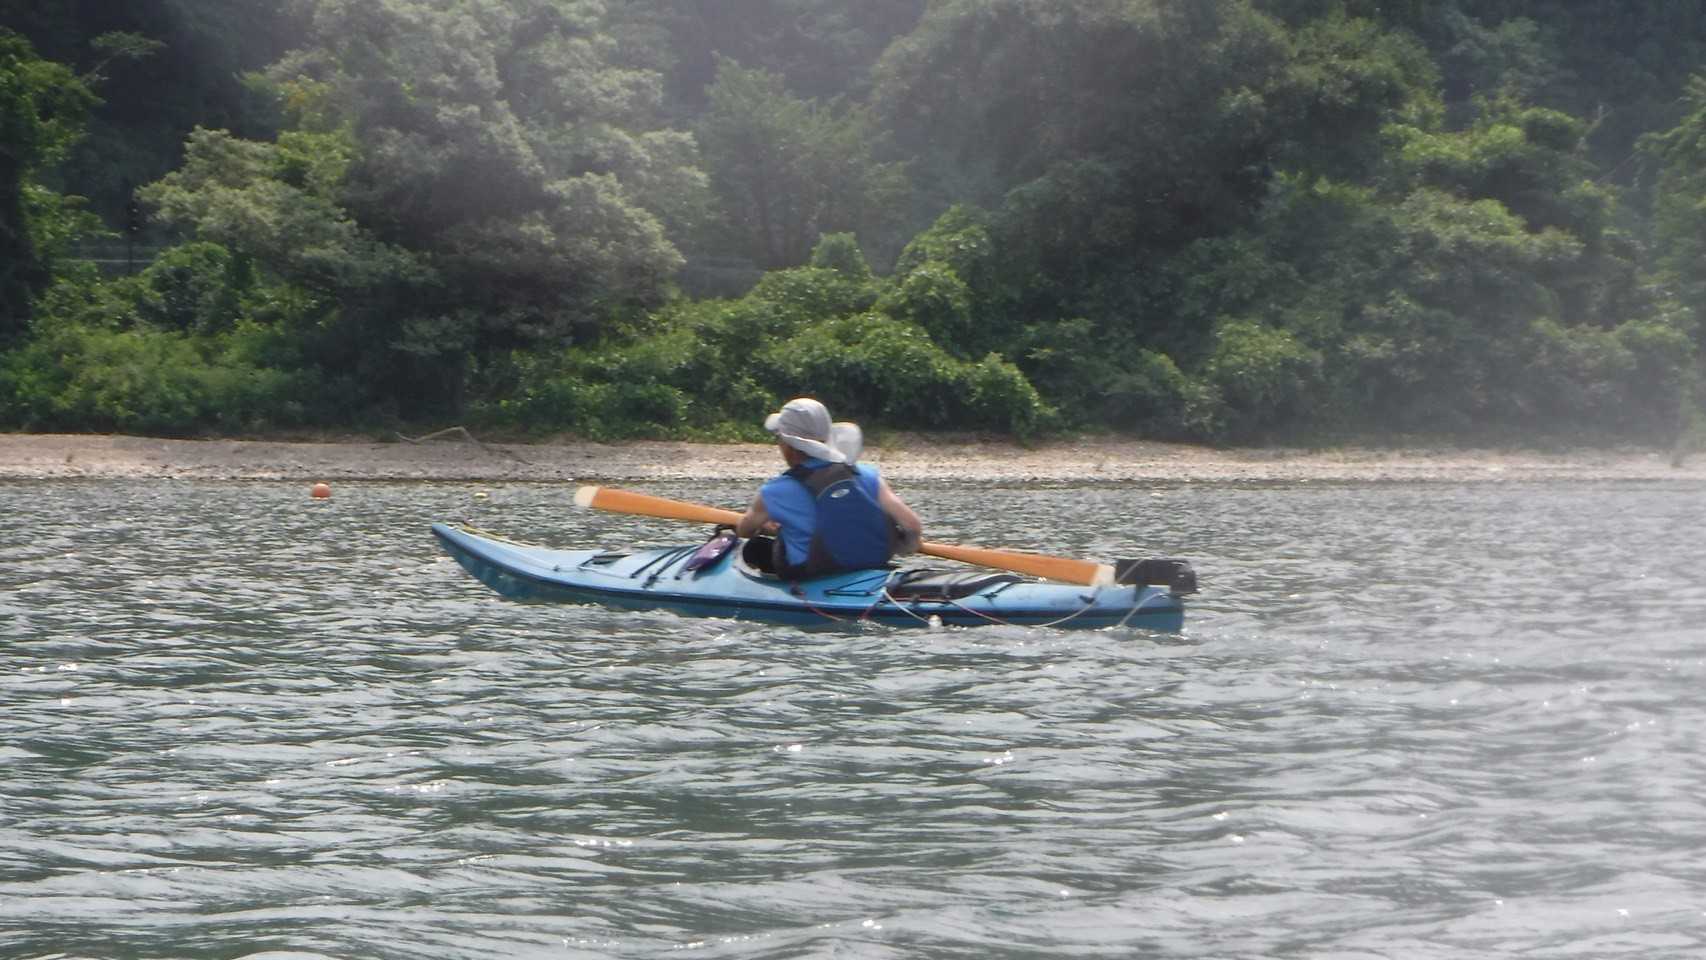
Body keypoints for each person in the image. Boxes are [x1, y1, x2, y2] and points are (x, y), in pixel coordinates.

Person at [736, 397, 923, 578]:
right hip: (873, 566)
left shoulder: (774, 491)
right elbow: (912, 525)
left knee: (757, 548)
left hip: (812, 575)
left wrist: (769, 526)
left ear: (788, 446)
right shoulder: (867, 475)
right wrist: (906, 547)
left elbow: (744, 531)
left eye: (779, 438)